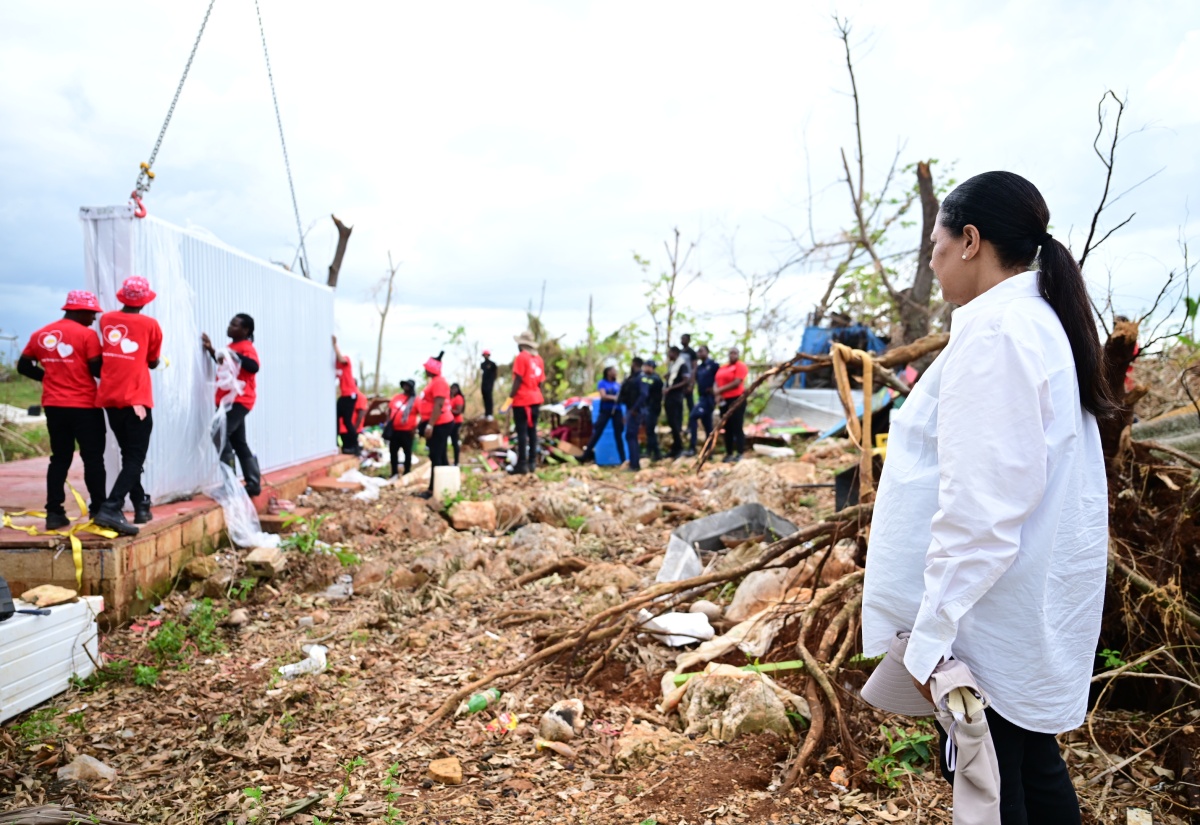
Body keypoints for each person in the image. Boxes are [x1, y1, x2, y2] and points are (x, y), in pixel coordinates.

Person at [861, 171, 1114, 825]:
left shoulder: (998, 334)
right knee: (1028, 765)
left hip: (987, 619)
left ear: (970, 240)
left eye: (936, 248)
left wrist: (932, 634)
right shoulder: (1034, 322)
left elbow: (980, 510)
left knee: (992, 785)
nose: (934, 264)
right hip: (1019, 606)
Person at [17, 290, 105, 530]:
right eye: (92, 314)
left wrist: (47, 377)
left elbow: (24, 366)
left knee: (59, 458)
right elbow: (97, 370)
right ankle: (98, 510)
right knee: (93, 458)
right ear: (79, 311)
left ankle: (54, 513)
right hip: (85, 406)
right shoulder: (88, 336)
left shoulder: (41, 334)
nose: (94, 319)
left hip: (55, 406)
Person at [93, 276, 162, 535]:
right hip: (136, 401)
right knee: (135, 458)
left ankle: (140, 504)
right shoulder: (150, 324)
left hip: (111, 398)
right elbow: (152, 360)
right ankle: (111, 507)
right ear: (145, 301)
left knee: (128, 454)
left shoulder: (106, 320)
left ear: (122, 296)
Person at [201, 314, 261, 497]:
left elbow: (253, 366)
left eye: (234, 325)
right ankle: (252, 483)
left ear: (245, 330)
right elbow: (223, 363)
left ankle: (231, 485)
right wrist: (211, 350)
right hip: (226, 401)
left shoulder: (246, 348)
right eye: (230, 323)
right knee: (238, 442)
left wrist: (236, 356)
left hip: (239, 401)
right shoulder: (231, 347)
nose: (229, 327)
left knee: (218, 433)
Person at [508, 331, 545, 475]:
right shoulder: (539, 359)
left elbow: (518, 379)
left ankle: (522, 464)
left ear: (522, 345)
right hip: (536, 399)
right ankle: (532, 463)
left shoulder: (521, 357)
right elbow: (540, 382)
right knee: (533, 431)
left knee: (522, 432)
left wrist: (510, 397)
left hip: (522, 400)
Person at [420, 354, 454, 497]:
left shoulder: (439, 382)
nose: (425, 370)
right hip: (438, 423)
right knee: (440, 456)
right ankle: (446, 487)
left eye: (426, 368)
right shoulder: (434, 381)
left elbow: (438, 404)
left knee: (436, 456)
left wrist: (430, 425)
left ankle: (434, 489)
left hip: (440, 424)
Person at [580, 365, 625, 464]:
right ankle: (585, 456)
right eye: (613, 370)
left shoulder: (618, 385)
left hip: (617, 411)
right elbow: (603, 396)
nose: (615, 372)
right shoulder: (602, 383)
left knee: (618, 435)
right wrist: (614, 398)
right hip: (605, 410)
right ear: (608, 372)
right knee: (597, 432)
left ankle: (623, 459)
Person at [713, 347, 748, 463]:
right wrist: (717, 393)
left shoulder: (740, 366)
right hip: (724, 400)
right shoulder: (723, 367)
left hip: (737, 399)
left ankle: (740, 452)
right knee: (726, 427)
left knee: (737, 426)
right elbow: (716, 381)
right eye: (731, 353)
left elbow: (737, 382)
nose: (733, 355)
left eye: (735, 353)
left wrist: (720, 390)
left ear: (738, 354)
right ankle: (728, 453)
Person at [686, 345, 718, 457]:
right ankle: (710, 451)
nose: (699, 353)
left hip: (709, 398)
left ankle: (692, 447)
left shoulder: (714, 365)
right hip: (701, 397)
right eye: (698, 352)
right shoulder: (699, 368)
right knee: (707, 424)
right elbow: (694, 381)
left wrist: (715, 391)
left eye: (701, 351)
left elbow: (719, 379)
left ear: (707, 352)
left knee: (693, 416)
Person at [618, 357, 648, 471]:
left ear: (634, 364)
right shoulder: (632, 377)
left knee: (631, 435)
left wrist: (635, 409)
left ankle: (634, 464)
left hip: (635, 411)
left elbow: (643, 394)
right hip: (631, 409)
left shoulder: (641, 377)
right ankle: (634, 463)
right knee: (630, 435)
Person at [332, 336, 360, 456]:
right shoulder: (335, 367)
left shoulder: (345, 361)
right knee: (336, 417)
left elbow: (341, 358)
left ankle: (355, 445)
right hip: (344, 395)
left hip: (350, 395)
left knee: (347, 421)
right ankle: (336, 442)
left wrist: (334, 345)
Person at [386, 379, 419, 477]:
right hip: (395, 431)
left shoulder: (415, 400)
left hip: (407, 431)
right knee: (393, 452)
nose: (406, 387)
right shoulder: (396, 397)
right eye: (405, 385)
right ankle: (394, 472)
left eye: (408, 386)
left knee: (407, 452)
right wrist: (389, 421)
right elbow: (389, 410)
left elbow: (421, 415)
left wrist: (415, 428)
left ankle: (407, 471)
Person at [663, 345, 692, 458]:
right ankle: (675, 448)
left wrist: (671, 388)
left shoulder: (682, 364)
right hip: (669, 397)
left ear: (674, 353)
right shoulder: (673, 365)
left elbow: (685, 381)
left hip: (676, 397)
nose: (668, 355)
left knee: (676, 423)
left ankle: (679, 448)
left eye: (670, 352)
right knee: (671, 423)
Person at [641, 359, 664, 461]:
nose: (644, 368)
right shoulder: (649, 378)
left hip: (653, 408)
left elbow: (646, 386)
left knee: (650, 430)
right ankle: (650, 451)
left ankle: (656, 453)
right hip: (648, 408)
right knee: (649, 430)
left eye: (646, 366)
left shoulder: (655, 379)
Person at [679, 333, 698, 414]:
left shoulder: (692, 352)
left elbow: (694, 368)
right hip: (680, 381)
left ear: (689, 340)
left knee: (690, 403)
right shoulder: (679, 352)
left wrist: (691, 384)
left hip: (688, 381)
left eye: (684, 339)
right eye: (681, 339)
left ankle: (692, 424)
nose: (682, 341)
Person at [449, 383, 466, 465]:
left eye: (455, 389)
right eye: (452, 389)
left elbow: (458, 411)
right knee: (453, 442)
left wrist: (449, 410)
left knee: (455, 442)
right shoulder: (452, 398)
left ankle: (456, 462)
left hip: (456, 422)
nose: (453, 390)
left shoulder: (458, 398)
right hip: (452, 422)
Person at [480, 350, 497, 420]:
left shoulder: (493, 364)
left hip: (490, 384)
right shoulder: (482, 364)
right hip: (484, 383)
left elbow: (495, 374)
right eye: (484, 355)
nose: (486, 356)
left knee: (489, 398)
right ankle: (486, 413)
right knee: (485, 398)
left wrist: (492, 382)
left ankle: (490, 414)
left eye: (487, 355)